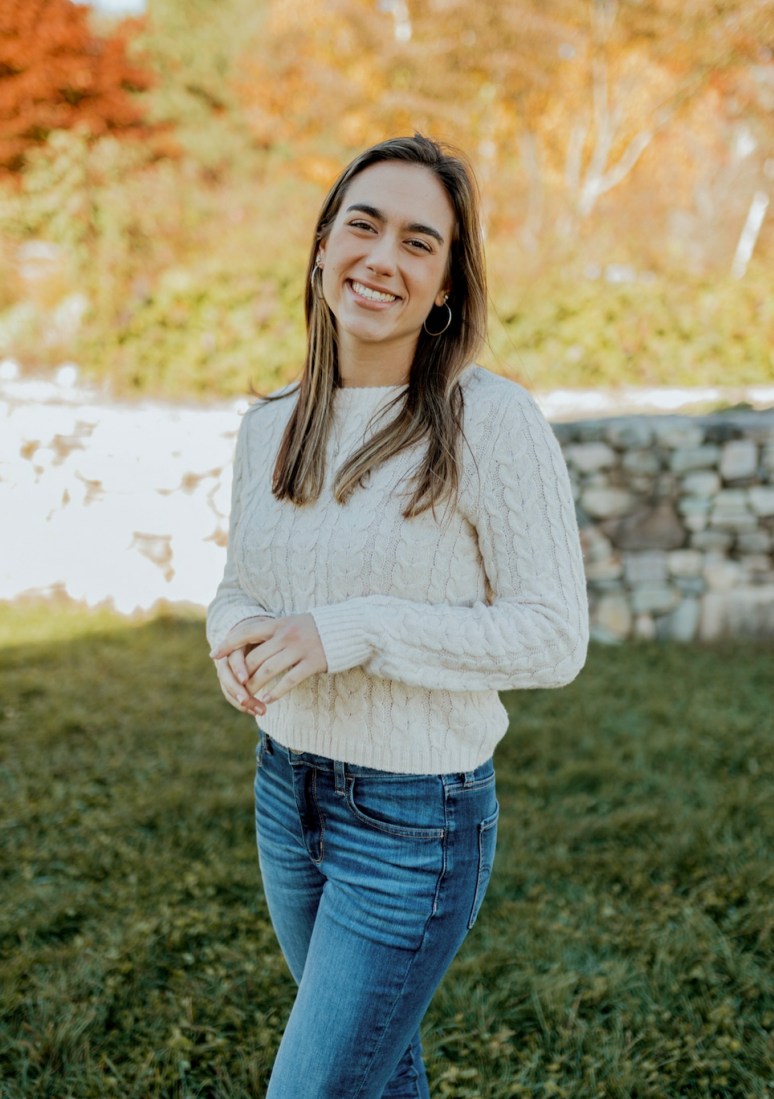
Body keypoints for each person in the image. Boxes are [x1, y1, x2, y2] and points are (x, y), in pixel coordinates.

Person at [207, 134, 588, 1099]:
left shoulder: (489, 421)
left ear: (448, 283)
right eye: (364, 225)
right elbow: (241, 586)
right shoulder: (272, 425)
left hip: (414, 821)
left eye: (421, 242)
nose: (384, 258)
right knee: (379, 1070)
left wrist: (350, 628)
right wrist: (231, 638)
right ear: (323, 247)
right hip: (284, 794)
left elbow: (553, 633)